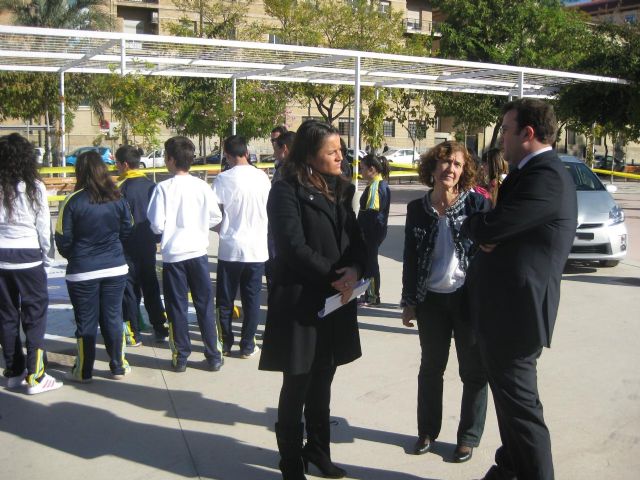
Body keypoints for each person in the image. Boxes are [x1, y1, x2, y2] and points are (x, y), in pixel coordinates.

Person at [462, 99, 577, 480]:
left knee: (523, 413)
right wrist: (491, 230)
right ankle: (508, 469)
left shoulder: (545, 176)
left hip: (516, 316)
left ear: (527, 133)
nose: (502, 139)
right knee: (511, 406)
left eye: (506, 130)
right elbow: (499, 228)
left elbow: (491, 227)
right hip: (504, 311)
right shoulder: (529, 173)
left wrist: (484, 229)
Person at [259, 120, 367, 480]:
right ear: (310, 155)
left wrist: (356, 267)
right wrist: (335, 276)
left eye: (341, 150)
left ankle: (318, 451)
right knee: (297, 384)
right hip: (302, 304)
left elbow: (355, 238)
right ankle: (291, 463)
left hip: (334, 303)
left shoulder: (339, 189)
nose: (341, 156)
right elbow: (292, 247)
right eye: (332, 152)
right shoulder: (285, 190)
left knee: (323, 381)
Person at [401, 141, 490, 463]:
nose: (449, 169)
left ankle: (468, 437)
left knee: (473, 372)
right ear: (432, 167)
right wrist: (409, 302)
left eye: (456, 164)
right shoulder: (417, 209)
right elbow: (410, 258)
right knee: (430, 369)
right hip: (431, 302)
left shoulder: (478, 206)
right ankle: (427, 432)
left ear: (464, 170)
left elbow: (492, 249)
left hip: (468, 301)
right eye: (443, 162)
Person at [147, 136, 224, 373]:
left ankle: (181, 355)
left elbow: (156, 224)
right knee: (204, 305)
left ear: (170, 160)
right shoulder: (202, 186)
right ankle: (213, 354)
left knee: (177, 306)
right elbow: (216, 217)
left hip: (174, 256)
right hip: (198, 253)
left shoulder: (163, 188)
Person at [55, 151, 133, 382]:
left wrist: (76, 256)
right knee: (113, 317)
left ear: (80, 172)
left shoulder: (73, 200)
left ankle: (84, 370)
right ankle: (118, 366)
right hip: (115, 267)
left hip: (82, 270)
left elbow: (62, 239)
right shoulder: (117, 197)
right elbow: (128, 229)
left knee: (86, 320)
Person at [0, 133, 63, 395]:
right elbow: (42, 226)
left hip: (2, 256)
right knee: (35, 314)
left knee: (6, 315)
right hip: (28, 255)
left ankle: (13, 371)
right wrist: (47, 257)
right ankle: (36, 375)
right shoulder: (35, 185)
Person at [212, 135, 271, 358]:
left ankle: (226, 342)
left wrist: (223, 228)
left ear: (227, 155)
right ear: (246, 152)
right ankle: (248, 345)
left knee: (225, 298)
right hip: (256, 247)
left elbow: (213, 214)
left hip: (231, 248)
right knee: (252, 298)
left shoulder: (222, 179)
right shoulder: (263, 178)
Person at [115, 145, 169, 345]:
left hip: (125, 246)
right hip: (147, 244)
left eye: (117, 164)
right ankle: (160, 327)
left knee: (129, 289)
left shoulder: (119, 188)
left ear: (125, 165)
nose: (117, 167)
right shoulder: (151, 185)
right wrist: (155, 241)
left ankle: (133, 332)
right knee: (151, 286)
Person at [357, 153, 391, 306]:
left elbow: (372, 213)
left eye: (362, 168)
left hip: (372, 232)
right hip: (375, 232)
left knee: (371, 264)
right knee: (369, 262)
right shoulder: (376, 185)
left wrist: (361, 232)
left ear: (372, 169)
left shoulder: (376, 187)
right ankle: (369, 294)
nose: (360, 171)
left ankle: (372, 296)